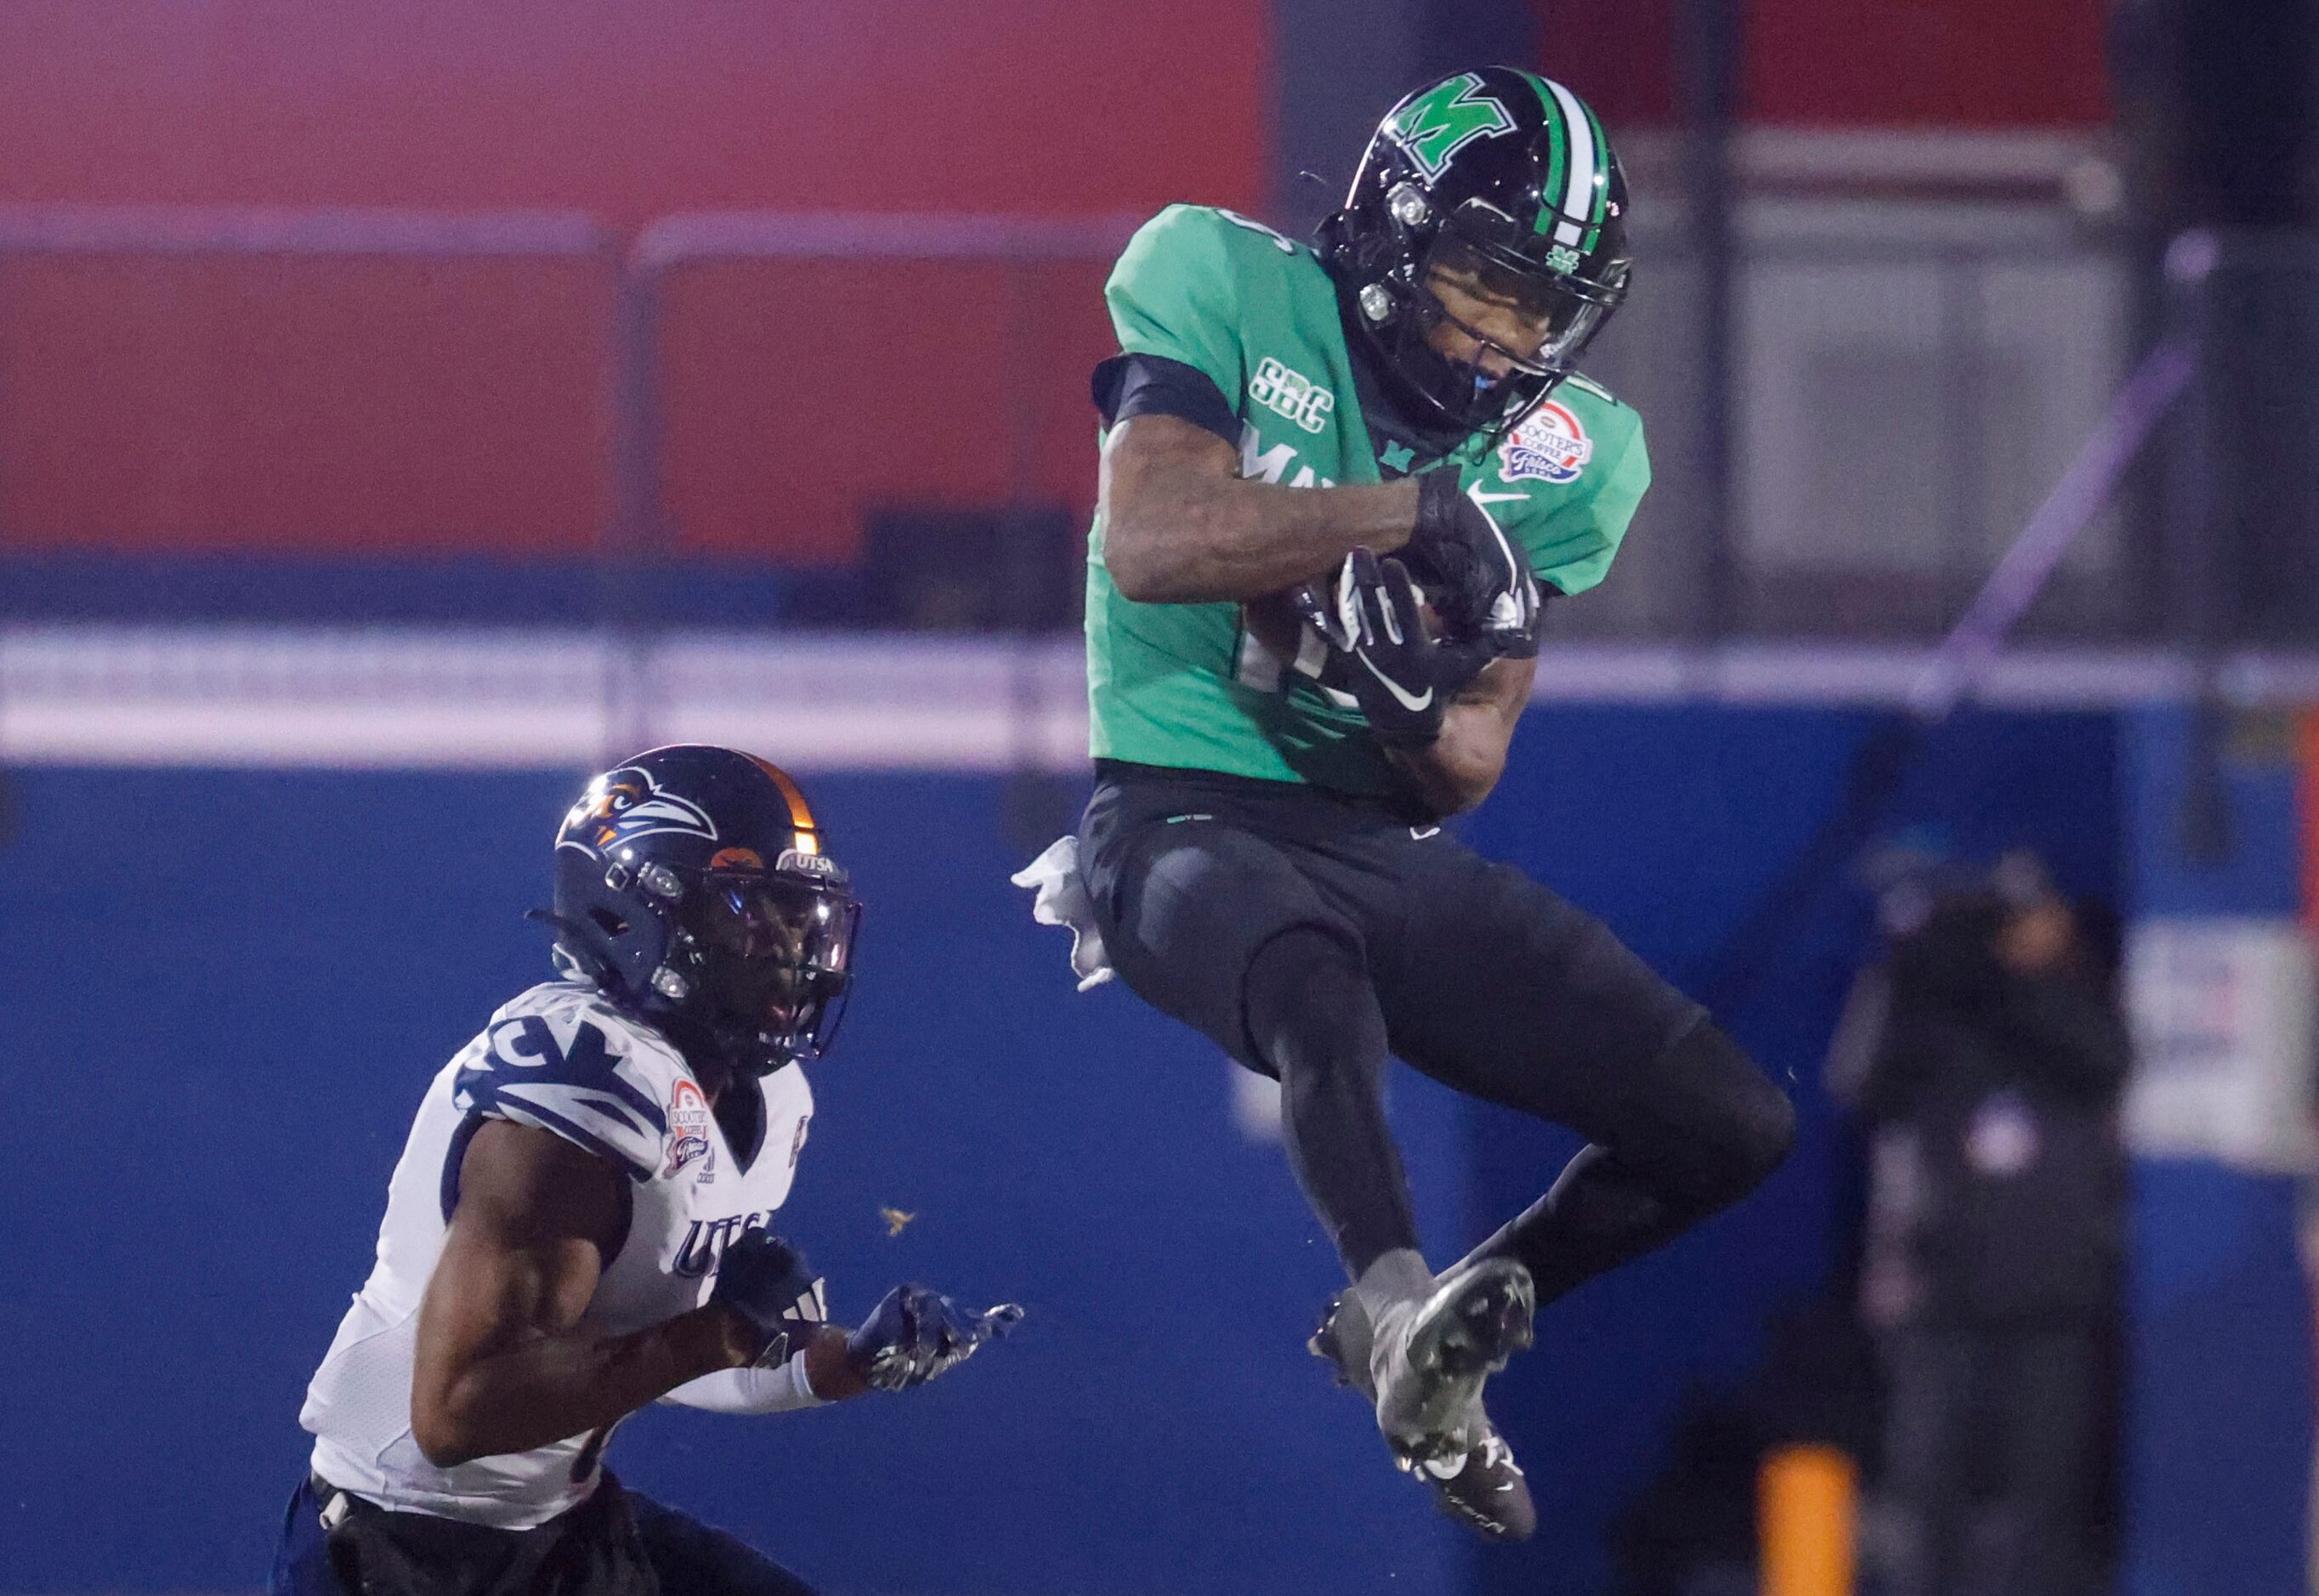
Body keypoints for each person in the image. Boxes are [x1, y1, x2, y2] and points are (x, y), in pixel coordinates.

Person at [1014, 67, 1794, 1540]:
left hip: (1368, 833)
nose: (1506, 339)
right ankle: (1383, 1303)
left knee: (1728, 1122)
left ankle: (1446, 1338)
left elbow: (1475, 753)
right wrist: (1403, 514)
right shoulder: (1221, 276)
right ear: (1389, 226)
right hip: (1174, 810)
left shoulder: (1573, 451)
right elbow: (1158, 534)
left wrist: (1401, 699)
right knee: (1309, 978)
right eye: (1482, 284)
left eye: (1540, 310)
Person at [272, 744, 1021, 1596]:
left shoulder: (765, 1096)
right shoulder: (574, 1095)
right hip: (406, 1553)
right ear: (633, 912)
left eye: (797, 914)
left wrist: (842, 1359)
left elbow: (644, 1359)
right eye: (750, 910)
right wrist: (717, 1330)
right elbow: (455, 1413)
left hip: (556, 1525)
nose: (789, 946)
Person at [1830, 856, 2129, 1596]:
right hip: (1941, 1291)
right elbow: (1860, 1083)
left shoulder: (2077, 1001)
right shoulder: (1932, 1010)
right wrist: (1916, 965)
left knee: (2042, 1500)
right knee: (1927, 1486)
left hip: (2053, 1296)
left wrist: (2012, 985)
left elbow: (2106, 1063)